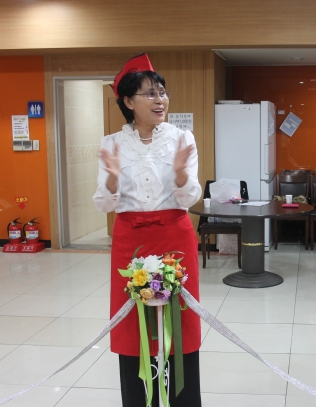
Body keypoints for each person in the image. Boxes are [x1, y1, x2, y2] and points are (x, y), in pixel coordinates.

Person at [93, 53, 203, 406]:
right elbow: (104, 204)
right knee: (132, 321)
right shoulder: (111, 144)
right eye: (150, 93)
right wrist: (112, 179)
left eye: (162, 92)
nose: (160, 100)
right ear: (128, 102)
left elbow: (191, 197)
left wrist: (182, 174)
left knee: (180, 319)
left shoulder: (182, 138)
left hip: (175, 235)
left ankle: (182, 398)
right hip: (131, 239)